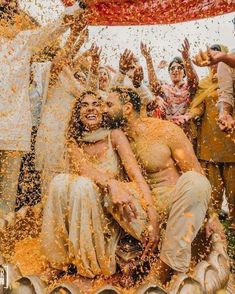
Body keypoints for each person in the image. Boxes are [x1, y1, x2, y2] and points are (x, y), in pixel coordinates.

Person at [104, 86, 227, 285]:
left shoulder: (164, 130)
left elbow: (195, 171)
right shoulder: (112, 136)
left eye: (109, 105)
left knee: (195, 182)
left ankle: (161, 270)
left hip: (175, 206)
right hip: (145, 211)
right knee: (111, 193)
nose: (103, 109)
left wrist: (212, 215)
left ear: (127, 109)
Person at [41, 91, 159, 289]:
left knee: (82, 186)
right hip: (83, 207)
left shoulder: (115, 136)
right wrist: (110, 184)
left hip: (111, 211)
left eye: (96, 104)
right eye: (84, 105)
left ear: (103, 111)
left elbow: (136, 175)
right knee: (59, 182)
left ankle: (89, 271)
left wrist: (152, 212)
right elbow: (84, 169)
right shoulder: (74, 142)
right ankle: (58, 263)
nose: (90, 108)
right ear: (78, 114)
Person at [0, 0, 87, 229]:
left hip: (14, 135)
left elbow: (56, 26)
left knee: (6, 205)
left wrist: (81, 4)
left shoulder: (23, 41)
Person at [183, 44, 235, 231]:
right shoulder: (204, 84)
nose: (213, 65)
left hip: (231, 144)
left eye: (217, 57)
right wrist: (188, 116)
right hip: (209, 147)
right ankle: (213, 228)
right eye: (211, 60)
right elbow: (199, 106)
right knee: (212, 195)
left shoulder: (230, 72)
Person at [141, 39, 199, 140]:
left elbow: (194, 80)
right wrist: (148, 59)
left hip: (186, 135)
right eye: (172, 68)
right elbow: (154, 85)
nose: (175, 70)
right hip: (167, 134)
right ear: (169, 73)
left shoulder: (189, 88)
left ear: (184, 72)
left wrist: (186, 59)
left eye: (179, 68)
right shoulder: (165, 88)